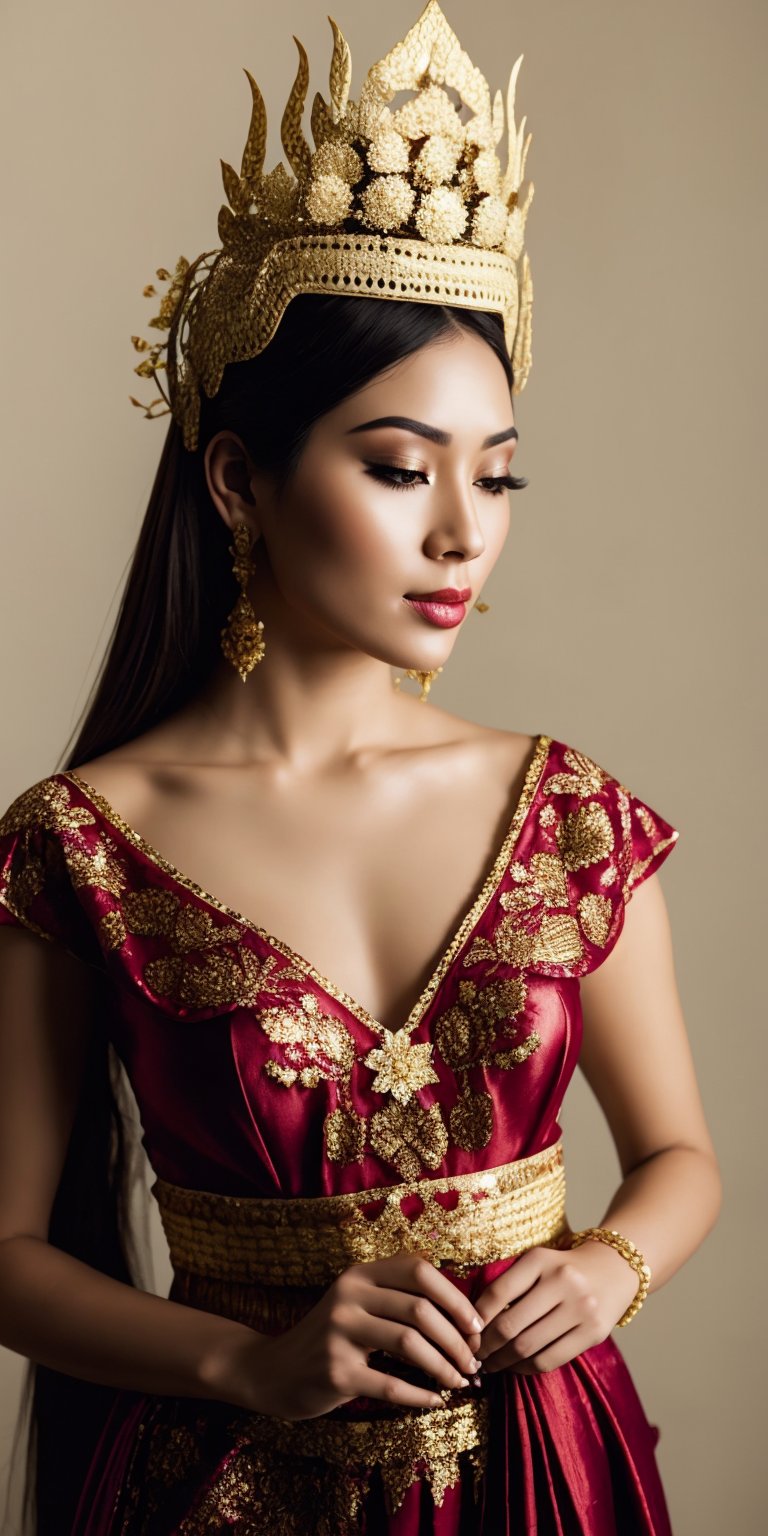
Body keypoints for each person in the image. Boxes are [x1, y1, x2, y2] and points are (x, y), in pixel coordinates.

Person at [0, 3, 721, 1532]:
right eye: (401, 468)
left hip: (551, 1469)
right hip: (229, 1485)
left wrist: (608, 1267)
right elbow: (8, 1258)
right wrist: (246, 1362)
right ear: (239, 480)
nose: (464, 530)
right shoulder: (83, 848)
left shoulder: (571, 815)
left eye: (498, 473)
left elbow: (677, 1157)